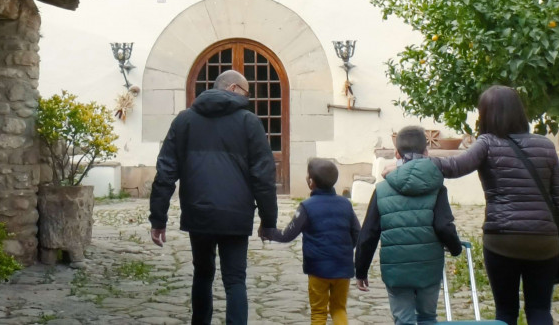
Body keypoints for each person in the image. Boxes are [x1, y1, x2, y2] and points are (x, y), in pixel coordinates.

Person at [430, 85, 559, 325]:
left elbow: (453, 167)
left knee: (505, 312)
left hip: (502, 239)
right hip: (544, 240)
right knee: (539, 309)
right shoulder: (545, 145)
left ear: (487, 114)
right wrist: (555, 233)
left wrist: (413, 161)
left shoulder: (487, 143)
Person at [148, 70, 278, 325]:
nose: (248, 98)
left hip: (199, 211)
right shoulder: (249, 122)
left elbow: (165, 171)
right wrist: (268, 221)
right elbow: (263, 176)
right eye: (246, 92)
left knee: (203, 274)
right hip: (236, 214)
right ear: (232, 89)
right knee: (235, 279)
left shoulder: (184, 120)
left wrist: (158, 218)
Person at [354, 125, 463, 325]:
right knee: (428, 318)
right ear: (426, 153)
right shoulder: (437, 187)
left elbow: (369, 233)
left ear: (396, 154)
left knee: (403, 320)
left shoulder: (382, 190)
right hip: (428, 267)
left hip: (396, 270)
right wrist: (455, 248)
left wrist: (361, 269)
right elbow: (443, 226)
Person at [260, 158, 361, 325]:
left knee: (318, 312)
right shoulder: (345, 204)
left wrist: (268, 232)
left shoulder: (307, 206)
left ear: (311, 182)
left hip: (318, 269)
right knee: (339, 309)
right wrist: (344, 250)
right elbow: (357, 232)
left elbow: (287, 234)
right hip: (343, 268)